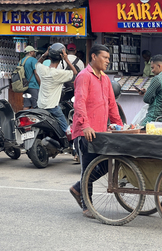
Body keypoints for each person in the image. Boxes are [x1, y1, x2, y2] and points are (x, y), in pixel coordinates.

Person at [69, 44, 123, 218]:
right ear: (93, 57)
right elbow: (79, 103)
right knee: (88, 168)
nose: (107, 61)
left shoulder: (105, 78)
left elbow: (112, 104)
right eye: (105, 57)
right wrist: (85, 125)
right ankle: (87, 205)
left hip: (101, 131)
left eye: (108, 58)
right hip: (86, 131)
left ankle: (78, 188)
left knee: (104, 165)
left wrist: (119, 126)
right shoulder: (84, 76)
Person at [36, 43, 78, 132]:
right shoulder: (59, 73)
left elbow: (37, 64)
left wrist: (44, 54)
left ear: (49, 57)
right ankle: (69, 143)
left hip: (40, 105)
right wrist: (66, 59)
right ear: (61, 59)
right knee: (67, 129)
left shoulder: (43, 69)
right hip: (52, 107)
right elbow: (74, 73)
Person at [138, 54, 162, 126]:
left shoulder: (157, 79)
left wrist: (147, 94)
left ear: (159, 66)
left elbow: (146, 99)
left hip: (153, 119)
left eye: (153, 68)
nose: (152, 71)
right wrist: (147, 92)